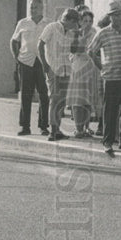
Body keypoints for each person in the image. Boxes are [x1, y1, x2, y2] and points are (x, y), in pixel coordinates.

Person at [88, 2, 121, 156]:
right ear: (110, 17)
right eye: (115, 15)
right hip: (111, 75)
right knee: (110, 110)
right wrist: (102, 66)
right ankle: (108, 141)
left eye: (120, 14)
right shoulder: (103, 33)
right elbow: (91, 51)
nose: (118, 17)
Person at [38, 8, 81, 141]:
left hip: (66, 69)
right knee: (55, 99)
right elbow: (40, 45)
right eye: (75, 22)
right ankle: (53, 130)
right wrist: (45, 65)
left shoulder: (71, 32)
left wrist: (76, 37)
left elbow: (73, 50)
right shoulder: (51, 27)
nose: (76, 25)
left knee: (62, 101)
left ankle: (57, 129)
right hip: (54, 67)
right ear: (69, 20)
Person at [11, 0, 50, 136]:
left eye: (36, 7)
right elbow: (14, 41)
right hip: (26, 62)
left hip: (42, 62)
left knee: (44, 95)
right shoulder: (23, 23)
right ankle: (24, 126)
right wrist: (16, 57)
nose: (33, 10)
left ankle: (44, 125)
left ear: (41, 8)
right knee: (26, 95)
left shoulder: (48, 23)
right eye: (31, 7)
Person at [65, 9, 100, 138]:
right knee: (78, 99)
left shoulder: (95, 33)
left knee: (88, 99)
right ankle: (78, 128)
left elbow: (96, 50)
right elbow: (75, 50)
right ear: (80, 21)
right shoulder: (74, 33)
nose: (88, 23)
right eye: (85, 20)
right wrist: (83, 37)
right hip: (78, 67)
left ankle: (86, 127)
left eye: (90, 21)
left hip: (91, 67)